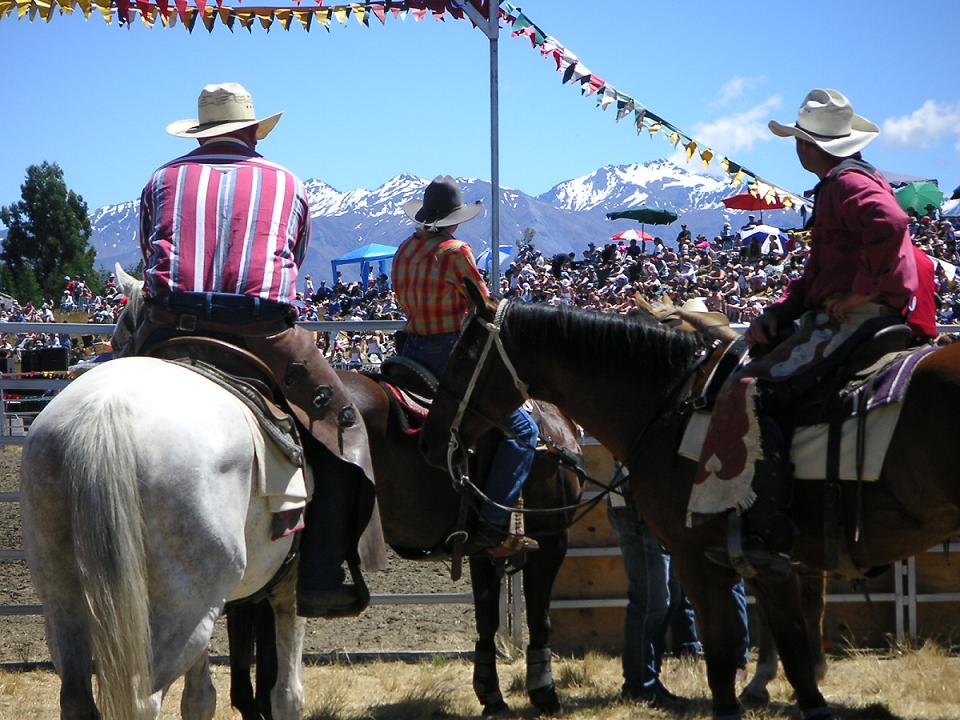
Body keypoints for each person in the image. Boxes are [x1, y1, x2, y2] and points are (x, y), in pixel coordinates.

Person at [133, 82, 381, 618]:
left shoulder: (161, 178)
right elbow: (292, 255)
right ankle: (319, 573)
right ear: (252, 129)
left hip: (170, 324)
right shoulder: (288, 182)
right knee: (343, 428)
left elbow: (146, 249)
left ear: (200, 133)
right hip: (261, 332)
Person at [694, 89, 918, 577]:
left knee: (754, 391)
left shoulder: (843, 185)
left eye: (799, 140)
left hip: (860, 318)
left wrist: (859, 293)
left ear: (809, 146)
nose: (796, 149)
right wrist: (782, 310)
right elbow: (821, 271)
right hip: (860, 311)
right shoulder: (849, 181)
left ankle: (771, 534)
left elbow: (891, 222)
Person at [392, 175, 539, 557]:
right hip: (447, 350)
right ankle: (493, 522)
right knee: (524, 430)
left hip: (410, 349)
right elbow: (483, 305)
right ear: (454, 219)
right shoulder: (456, 251)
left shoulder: (405, 248)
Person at [608, 464, 749, 704]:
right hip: (639, 507)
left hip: (646, 506)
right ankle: (640, 685)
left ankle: (645, 682)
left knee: (663, 598)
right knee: (653, 600)